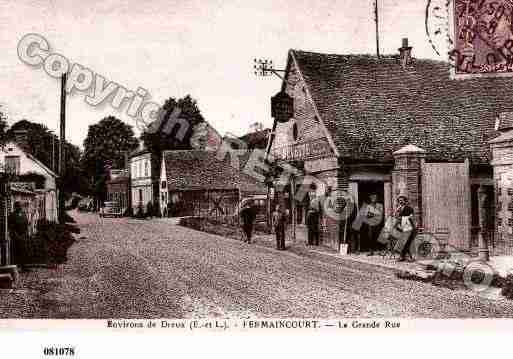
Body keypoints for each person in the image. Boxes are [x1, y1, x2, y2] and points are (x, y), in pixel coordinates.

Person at [394, 195, 416, 262]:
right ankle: (405, 257)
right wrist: (396, 211)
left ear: (405, 201)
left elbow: (411, 217)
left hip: (409, 227)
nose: (400, 202)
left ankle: (406, 257)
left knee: (407, 242)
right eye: (399, 200)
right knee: (403, 242)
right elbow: (396, 217)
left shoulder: (409, 208)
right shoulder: (399, 208)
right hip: (402, 227)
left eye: (402, 200)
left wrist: (404, 218)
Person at [8, 201, 29, 270]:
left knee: (24, 250)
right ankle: (16, 267)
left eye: (21, 206)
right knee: (16, 251)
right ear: (15, 207)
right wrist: (16, 235)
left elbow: (26, 225)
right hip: (15, 237)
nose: (20, 207)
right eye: (18, 206)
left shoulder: (23, 214)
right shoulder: (12, 215)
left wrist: (25, 234)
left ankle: (24, 266)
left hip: (23, 236)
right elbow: (11, 227)